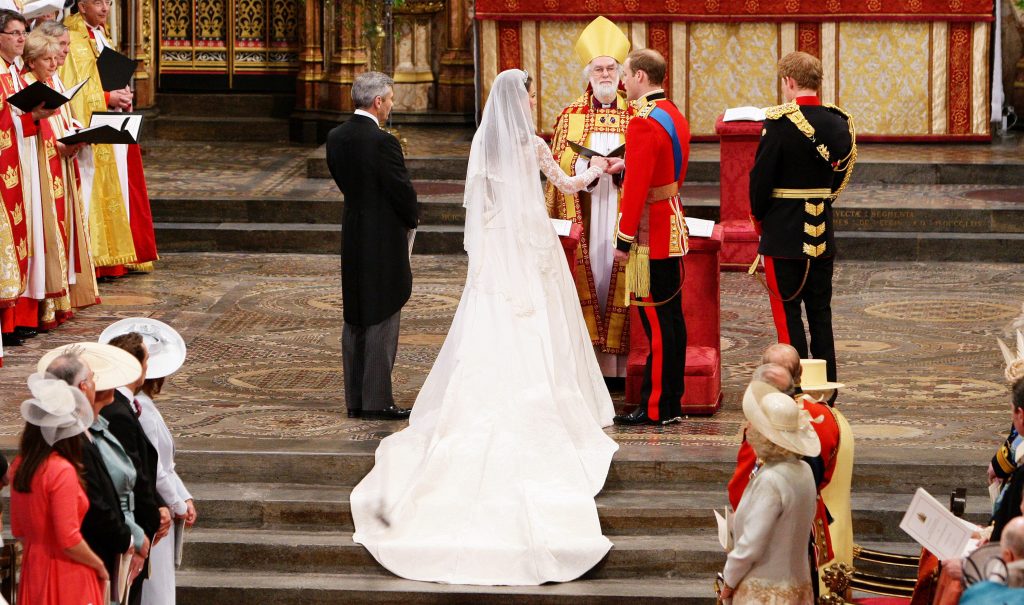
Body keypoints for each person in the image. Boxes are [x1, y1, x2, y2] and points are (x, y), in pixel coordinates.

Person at [349, 69, 619, 586]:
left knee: (488, 323)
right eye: (532, 94)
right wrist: (598, 171)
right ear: (523, 100)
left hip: (498, 254)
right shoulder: (534, 146)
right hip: (531, 246)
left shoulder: (483, 146)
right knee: (541, 326)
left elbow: (479, 208)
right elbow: (567, 185)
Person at [748, 51, 856, 390]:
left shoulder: (779, 123)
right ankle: (825, 390)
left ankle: (795, 390)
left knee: (788, 316)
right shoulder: (839, 122)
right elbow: (841, 175)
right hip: (822, 231)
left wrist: (760, 218)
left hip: (784, 235)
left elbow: (760, 182)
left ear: (789, 82)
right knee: (821, 314)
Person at [326, 71, 418, 420]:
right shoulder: (383, 142)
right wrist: (412, 219)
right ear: (378, 102)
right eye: (390, 99)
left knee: (356, 314)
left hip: (353, 232)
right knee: (382, 312)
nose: (391, 106)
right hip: (382, 237)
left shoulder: (336, 137)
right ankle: (377, 401)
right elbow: (401, 190)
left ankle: (356, 399)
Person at [545, 16, 632, 376]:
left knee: (619, 276)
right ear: (589, 73)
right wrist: (588, 170)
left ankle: (623, 369)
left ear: (622, 72)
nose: (606, 73)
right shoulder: (570, 116)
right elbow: (559, 163)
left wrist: (623, 167)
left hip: (624, 213)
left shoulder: (638, 113)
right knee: (590, 277)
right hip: (588, 209)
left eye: (612, 67)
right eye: (599, 68)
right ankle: (589, 367)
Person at [612, 48, 690, 426]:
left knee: (657, 324)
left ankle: (657, 407)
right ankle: (672, 402)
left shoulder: (642, 122)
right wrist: (626, 163)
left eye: (625, 74)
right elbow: (664, 168)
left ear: (641, 77)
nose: (622, 82)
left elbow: (638, 189)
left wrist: (623, 242)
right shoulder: (672, 113)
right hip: (671, 225)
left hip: (649, 234)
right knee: (672, 318)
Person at [60, 0, 159, 276]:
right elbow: (70, 89)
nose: (105, 8)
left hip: (112, 120)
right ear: (81, 5)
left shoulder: (102, 34)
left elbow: (108, 79)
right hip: (92, 125)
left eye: (108, 2)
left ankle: (118, 255)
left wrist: (123, 97)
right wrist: (106, 97)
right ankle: (96, 259)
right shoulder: (70, 37)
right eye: (98, 2)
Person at [100, 318, 194, 605]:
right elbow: (138, 471)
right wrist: (166, 507)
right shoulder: (122, 411)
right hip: (139, 517)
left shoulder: (132, 406)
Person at [41, 344, 140, 598]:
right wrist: (124, 538)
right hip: (83, 558)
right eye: (94, 379)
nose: (98, 384)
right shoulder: (71, 444)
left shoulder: (75, 435)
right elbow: (91, 504)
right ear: (83, 387)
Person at [9, 371, 108, 605]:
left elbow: (19, 529)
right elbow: (69, 539)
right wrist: (98, 564)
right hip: (66, 574)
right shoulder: (61, 470)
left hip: (34, 571)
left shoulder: (20, 466)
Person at [720, 380, 820, 604]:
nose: (748, 427)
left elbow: (750, 547)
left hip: (764, 594)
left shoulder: (771, 480)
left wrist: (728, 582)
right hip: (799, 590)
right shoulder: (804, 471)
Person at [31, 20, 98, 311]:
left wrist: (75, 128)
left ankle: (65, 294)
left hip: (63, 155)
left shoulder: (55, 78)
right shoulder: (32, 80)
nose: (63, 55)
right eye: (61, 47)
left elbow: (63, 113)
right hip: (49, 158)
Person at [104, 332, 172, 604]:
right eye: (146, 361)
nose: (149, 368)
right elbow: (130, 472)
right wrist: (154, 513)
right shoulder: (119, 412)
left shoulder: (125, 406)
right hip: (129, 526)